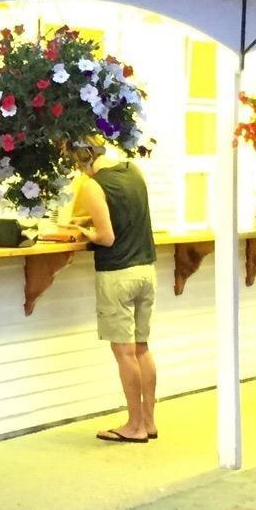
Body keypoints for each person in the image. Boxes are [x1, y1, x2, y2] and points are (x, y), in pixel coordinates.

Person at [62, 145, 159, 443]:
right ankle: (149, 421)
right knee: (141, 348)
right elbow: (123, 215)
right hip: (145, 269)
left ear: (83, 161)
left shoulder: (94, 185)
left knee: (124, 352)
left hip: (117, 274)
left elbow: (107, 237)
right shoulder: (134, 171)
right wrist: (91, 221)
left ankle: (133, 426)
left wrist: (86, 232)